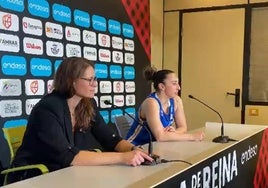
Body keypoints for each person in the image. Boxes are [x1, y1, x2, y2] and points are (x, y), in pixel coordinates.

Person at [8, 57, 153, 183]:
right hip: (33, 176)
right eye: (89, 79)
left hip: (62, 173)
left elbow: (110, 139)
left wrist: (134, 150)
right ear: (71, 81)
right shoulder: (48, 108)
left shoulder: (88, 104)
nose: (94, 84)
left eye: (95, 79)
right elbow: (68, 157)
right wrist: (123, 158)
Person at [126, 66, 205, 146]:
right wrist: (192, 137)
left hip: (156, 146)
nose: (179, 87)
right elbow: (160, 137)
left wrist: (174, 132)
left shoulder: (176, 100)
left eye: (178, 83)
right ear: (162, 86)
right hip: (135, 147)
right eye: (174, 83)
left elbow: (183, 127)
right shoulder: (151, 103)